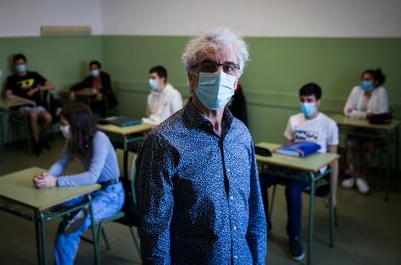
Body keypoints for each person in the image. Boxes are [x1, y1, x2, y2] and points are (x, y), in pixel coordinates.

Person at [136, 28, 266, 263]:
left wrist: (258, 259)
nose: (219, 74)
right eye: (208, 66)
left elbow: (255, 211)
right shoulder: (163, 142)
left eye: (228, 67)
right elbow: (154, 231)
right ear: (190, 76)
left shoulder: (242, 135)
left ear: (236, 79)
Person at [33, 103, 125, 265]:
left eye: (64, 124)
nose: (61, 128)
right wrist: (47, 175)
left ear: (77, 125)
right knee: (54, 206)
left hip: (111, 193)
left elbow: (91, 176)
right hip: (90, 190)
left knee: (69, 230)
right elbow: (61, 163)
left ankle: (75, 220)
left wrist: (56, 181)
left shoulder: (99, 139)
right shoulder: (74, 139)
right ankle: (74, 217)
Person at [259, 83, 339, 261]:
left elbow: (333, 160)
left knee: (293, 189)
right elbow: (286, 148)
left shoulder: (329, 124)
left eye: (309, 100)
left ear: (318, 101)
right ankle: (264, 224)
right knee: (260, 179)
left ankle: (294, 236)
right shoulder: (294, 119)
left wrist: (333, 194)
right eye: (302, 100)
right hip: (291, 165)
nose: (305, 104)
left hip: (314, 171)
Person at [342, 68, 389, 194]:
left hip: (374, 131)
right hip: (356, 129)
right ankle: (354, 176)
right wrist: (365, 115)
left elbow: (382, 113)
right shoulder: (356, 90)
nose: (364, 82)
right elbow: (347, 110)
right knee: (351, 144)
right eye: (363, 79)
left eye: (367, 80)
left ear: (376, 81)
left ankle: (360, 178)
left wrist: (357, 113)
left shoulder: (381, 92)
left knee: (366, 146)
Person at [5, 53, 55, 156]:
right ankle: (36, 143)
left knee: (48, 117)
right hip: (21, 107)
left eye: (22, 63)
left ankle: (42, 137)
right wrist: (26, 101)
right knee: (33, 114)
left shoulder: (34, 75)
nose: (20, 66)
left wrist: (37, 89)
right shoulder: (11, 79)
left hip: (37, 105)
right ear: (14, 65)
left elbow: (51, 86)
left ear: (26, 63)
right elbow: (9, 95)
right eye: (18, 64)